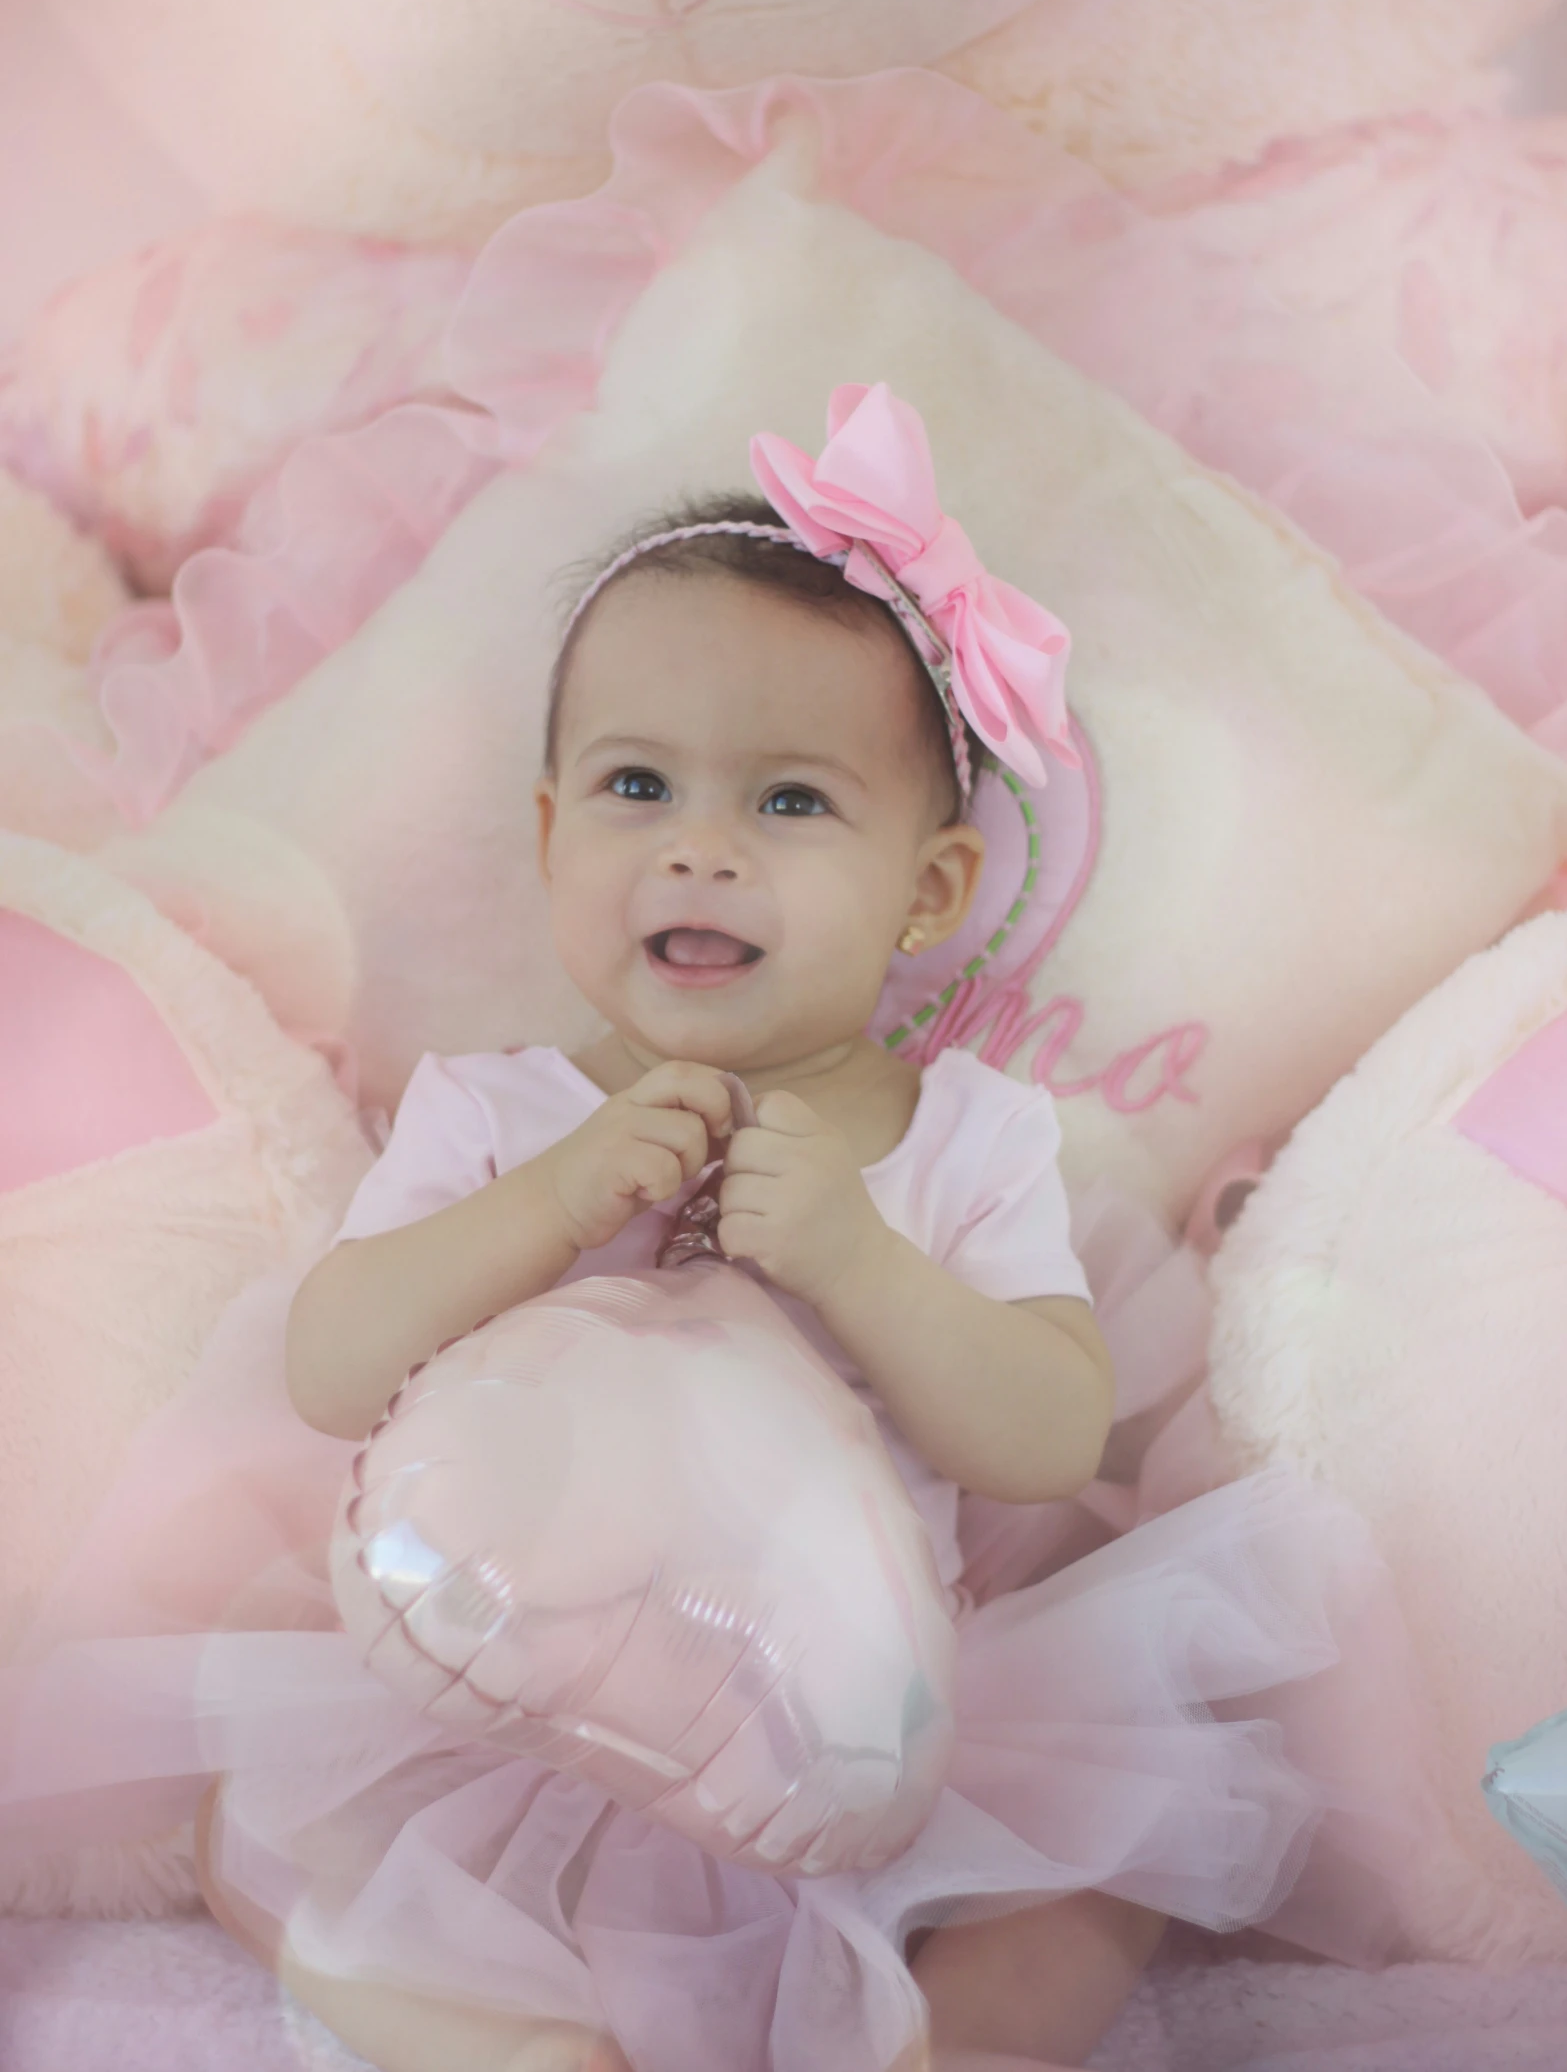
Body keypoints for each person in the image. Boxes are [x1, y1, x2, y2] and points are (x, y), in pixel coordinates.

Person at [12, 385, 1366, 2072]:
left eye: (790, 802)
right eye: (640, 786)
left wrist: (860, 1262)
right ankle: (520, 2051)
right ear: (550, 831)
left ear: (928, 892)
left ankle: (947, 2050)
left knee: (1094, 1875)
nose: (703, 851)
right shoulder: (495, 1109)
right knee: (267, 1830)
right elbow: (331, 1363)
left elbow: (1045, 1429)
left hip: (883, 1725)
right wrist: (548, 1202)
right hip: (503, 1712)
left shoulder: (969, 1139)